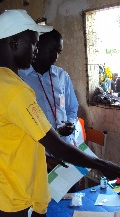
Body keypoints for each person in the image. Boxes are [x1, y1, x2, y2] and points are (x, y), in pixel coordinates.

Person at [0, 9, 120, 217]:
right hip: (23, 199)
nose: (35, 51)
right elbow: (56, 145)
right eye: (34, 44)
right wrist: (101, 164)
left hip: (5, 193)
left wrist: (44, 161)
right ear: (14, 44)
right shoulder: (16, 90)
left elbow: (12, 141)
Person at [18, 29, 81, 171]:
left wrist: (71, 123)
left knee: (72, 193)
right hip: (38, 155)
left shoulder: (62, 76)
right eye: (52, 50)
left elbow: (72, 108)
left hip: (65, 148)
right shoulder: (21, 78)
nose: (56, 56)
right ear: (37, 46)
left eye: (59, 52)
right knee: (46, 193)